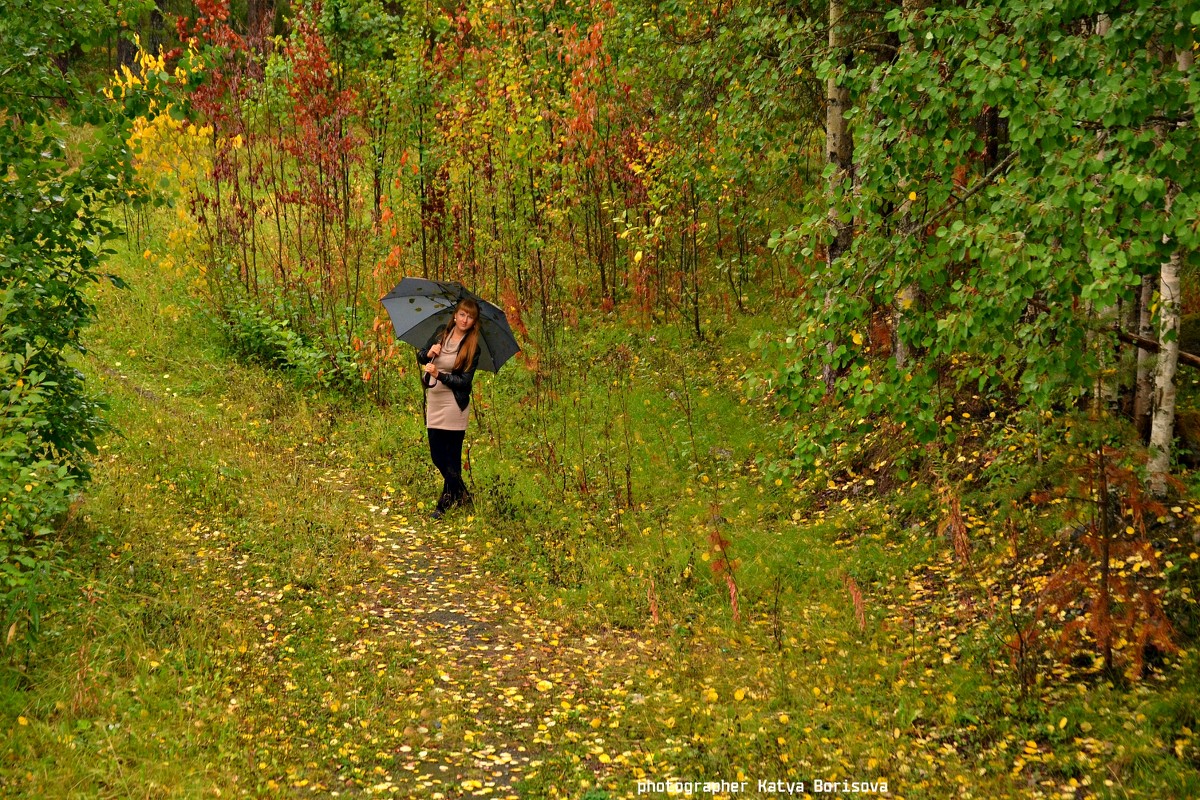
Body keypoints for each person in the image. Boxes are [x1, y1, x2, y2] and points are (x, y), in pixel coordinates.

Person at [416, 299, 481, 519]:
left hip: (455, 405)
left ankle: (443, 505)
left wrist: (440, 375)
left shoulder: (473, 347)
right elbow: (420, 356)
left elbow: (465, 382)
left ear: (474, 322)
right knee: (436, 454)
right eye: (462, 314)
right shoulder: (439, 334)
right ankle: (462, 495)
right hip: (435, 403)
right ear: (455, 315)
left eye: (470, 317)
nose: (465, 320)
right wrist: (428, 353)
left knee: (451, 457)